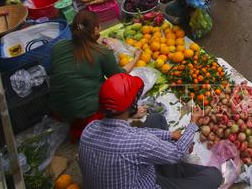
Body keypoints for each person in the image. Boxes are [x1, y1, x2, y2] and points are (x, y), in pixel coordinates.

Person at [79, 73, 223, 189]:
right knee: (214, 176)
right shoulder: (137, 143)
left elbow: (137, 136)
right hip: (148, 183)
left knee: (155, 119)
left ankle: (172, 172)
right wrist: (193, 123)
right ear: (132, 106)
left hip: (131, 177)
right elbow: (176, 152)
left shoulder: (89, 129)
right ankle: (173, 175)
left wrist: (171, 134)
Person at [49, 10, 141, 141]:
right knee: (127, 84)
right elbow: (120, 75)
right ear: (95, 29)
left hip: (57, 108)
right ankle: (125, 117)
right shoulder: (101, 53)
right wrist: (137, 57)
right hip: (84, 113)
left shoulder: (59, 46)